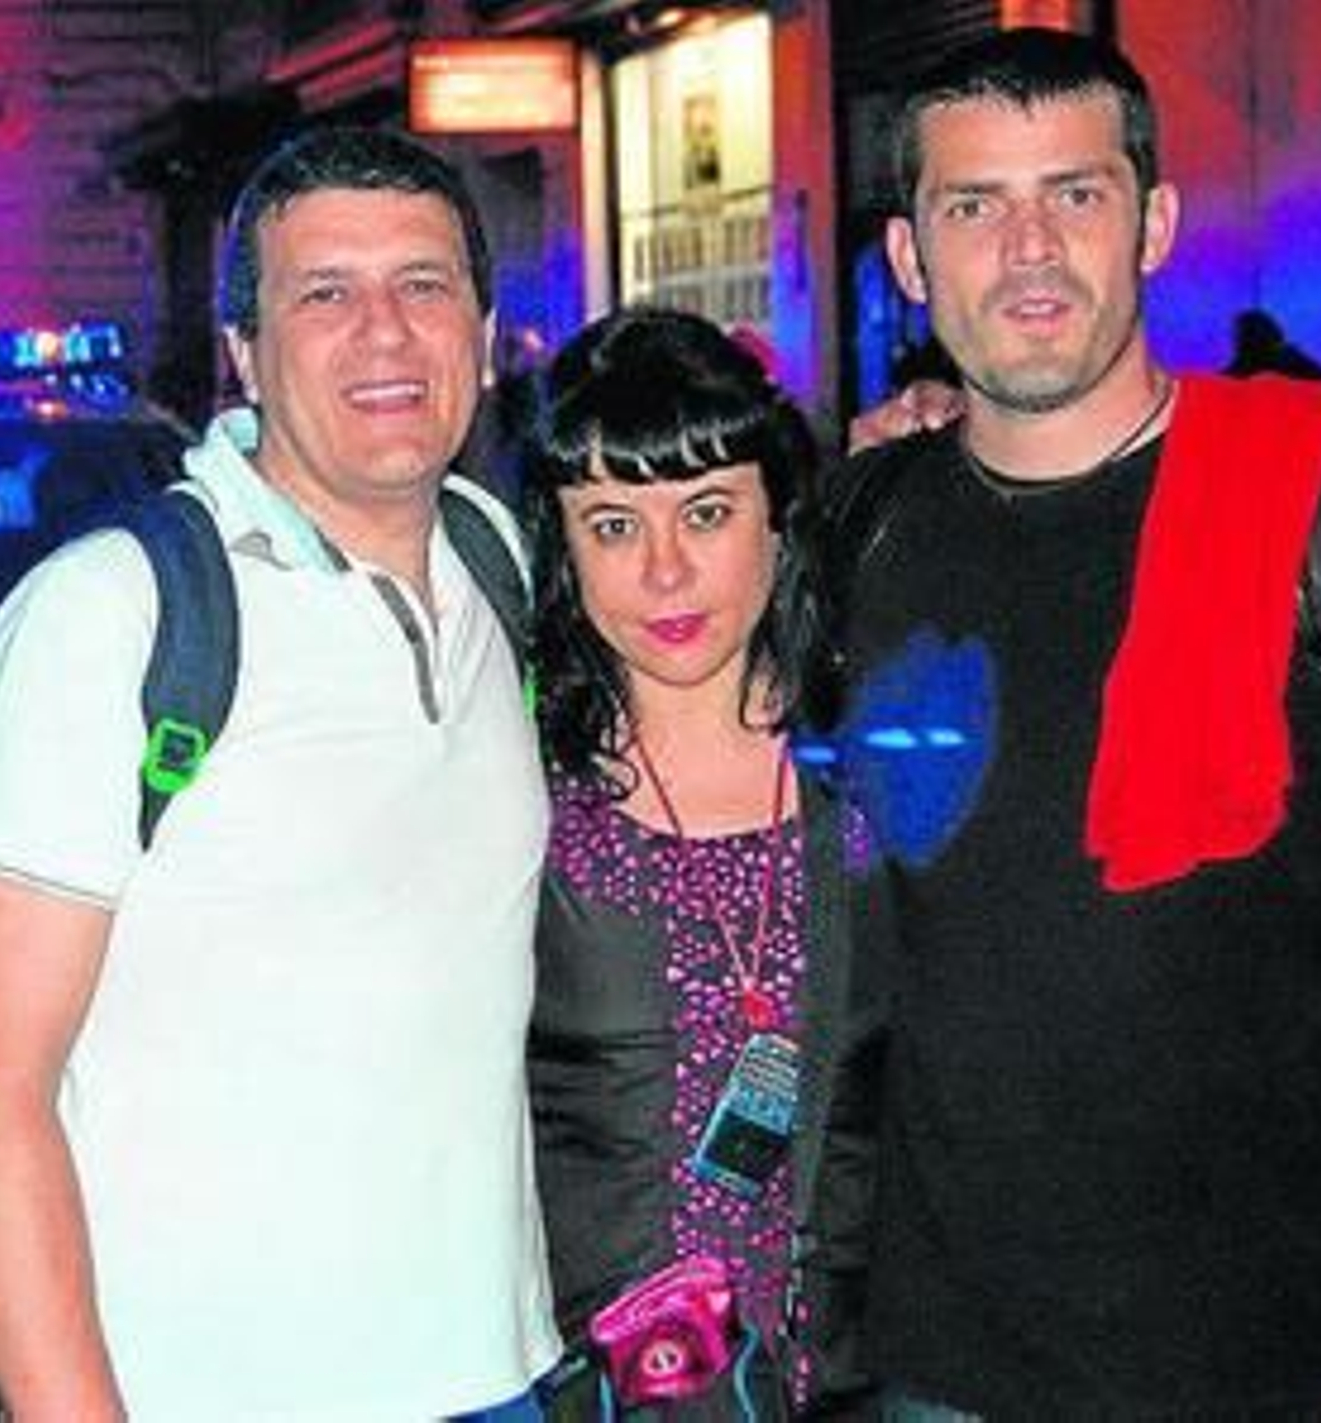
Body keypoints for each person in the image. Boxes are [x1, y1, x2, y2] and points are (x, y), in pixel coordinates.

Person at [828, 27, 1321, 1421]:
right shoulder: (859, 527)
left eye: (1075, 194)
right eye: (975, 204)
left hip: (1293, 1368)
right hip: (942, 1371)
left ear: (1153, 222)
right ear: (908, 256)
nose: (1029, 249)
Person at [0, 126, 559, 1419]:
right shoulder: (108, 616)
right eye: (324, 293)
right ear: (246, 354)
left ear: (483, 336)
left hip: (499, 1375)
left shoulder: (497, 559)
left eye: (423, 284)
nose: (385, 332)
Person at [522, 308, 880, 1417]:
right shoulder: (513, 798)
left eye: (708, 512)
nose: (665, 570)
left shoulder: (878, 772)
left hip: (869, 1375)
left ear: (778, 516)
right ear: (563, 548)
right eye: (613, 525)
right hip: (601, 1387)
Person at [1225, 306, 1321, 381]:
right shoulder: (1292, 356)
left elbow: (1227, 378)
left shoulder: (1246, 362)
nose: (1234, 339)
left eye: (1236, 333)